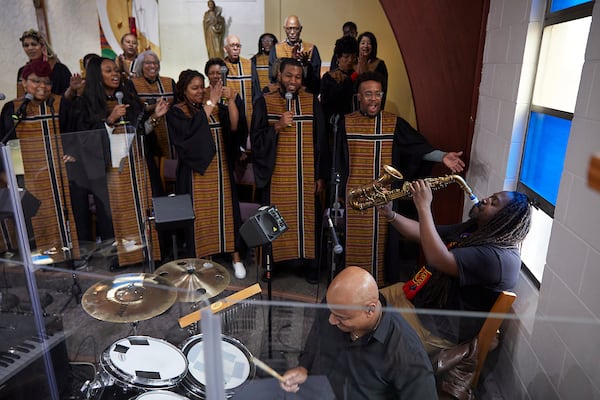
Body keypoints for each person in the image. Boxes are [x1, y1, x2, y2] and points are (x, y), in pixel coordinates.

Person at [335, 71, 465, 286]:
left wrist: (443, 157)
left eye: (378, 94)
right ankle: (352, 286)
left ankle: (379, 289)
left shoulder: (393, 123)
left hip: (385, 198)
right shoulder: (345, 123)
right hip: (355, 199)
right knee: (353, 245)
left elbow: (417, 147)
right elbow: (338, 161)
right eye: (368, 94)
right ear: (359, 96)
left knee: (383, 248)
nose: (374, 99)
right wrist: (339, 194)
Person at [378, 184, 532, 354]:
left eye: (493, 203)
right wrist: (391, 215)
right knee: (359, 304)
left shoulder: (498, 259)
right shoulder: (477, 228)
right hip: (418, 298)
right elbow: (425, 233)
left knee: (366, 329)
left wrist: (423, 207)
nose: (486, 199)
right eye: (491, 196)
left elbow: (438, 259)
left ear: (504, 219)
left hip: (434, 329)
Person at [280, 266, 437, 399]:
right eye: (330, 311)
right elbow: (316, 337)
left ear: (370, 310)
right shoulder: (335, 307)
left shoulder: (407, 353)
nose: (331, 320)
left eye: (342, 318)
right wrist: (303, 367)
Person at [70, 56, 168, 266]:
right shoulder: (86, 104)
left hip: (137, 164)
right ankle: (122, 258)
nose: (115, 74)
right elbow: (85, 140)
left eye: (116, 70)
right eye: (108, 71)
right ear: (97, 76)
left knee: (143, 206)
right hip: (109, 170)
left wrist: (155, 117)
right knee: (117, 213)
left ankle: (151, 254)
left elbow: (141, 132)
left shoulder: (128, 98)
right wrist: (110, 120)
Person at [251, 58, 328, 281]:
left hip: (305, 178)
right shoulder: (264, 102)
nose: (293, 81)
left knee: (307, 220)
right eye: (288, 76)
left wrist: (320, 175)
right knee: (273, 219)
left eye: (297, 77)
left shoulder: (312, 102)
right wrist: (276, 126)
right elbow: (255, 142)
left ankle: (311, 267)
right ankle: (272, 266)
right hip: (277, 178)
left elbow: (321, 141)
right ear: (279, 75)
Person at [166, 65, 246, 279]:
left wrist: (229, 101)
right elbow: (189, 137)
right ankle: (205, 257)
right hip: (196, 174)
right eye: (194, 88)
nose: (200, 91)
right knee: (202, 217)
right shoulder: (177, 112)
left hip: (220, 170)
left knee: (227, 213)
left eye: (202, 87)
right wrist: (211, 101)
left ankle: (235, 256)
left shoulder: (214, 108)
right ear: (184, 90)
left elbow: (235, 128)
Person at [0, 60, 79, 260]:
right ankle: (40, 260)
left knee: (65, 216)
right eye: (36, 81)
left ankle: (69, 256)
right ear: (24, 83)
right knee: (35, 221)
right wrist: (7, 175)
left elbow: (75, 134)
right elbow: (5, 142)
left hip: (61, 175)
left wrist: (71, 153)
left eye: (47, 82)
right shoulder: (12, 109)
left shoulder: (61, 104)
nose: (42, 87)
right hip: (28, 178)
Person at [127, 50, 177, 195]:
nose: (152, 66)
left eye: (155, 63)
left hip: (170, 137)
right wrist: (152, 107)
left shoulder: (169, 82)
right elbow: (134, 111)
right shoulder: (133, 84)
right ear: (141, 65)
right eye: (148, 63)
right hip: (149, 137)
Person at [269, 15, 322, 94]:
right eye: (289, 28)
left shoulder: (311, 49)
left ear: (300, 29)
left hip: (305, 93)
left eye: (295, 28)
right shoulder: (276, 49)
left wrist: (305, 65)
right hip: (281, 94)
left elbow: (316, 78)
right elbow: (272, 76)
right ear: (284, 29)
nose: (292, 32)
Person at [16, 29, 71, 98]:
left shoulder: (59, 69)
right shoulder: (22, 71)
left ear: (43, 46)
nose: (30, 48)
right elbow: (20, 99)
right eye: (26, 45)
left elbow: (70, 96)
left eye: (34, 44)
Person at [320, 35, 358, 132]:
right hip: (335, 126)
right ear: (338, 57)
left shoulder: (360, 76)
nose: (350, 60)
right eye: (346, 57)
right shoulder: (329, 78)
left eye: (353, 56)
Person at [223, 35, 254, 135]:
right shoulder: (221, 66)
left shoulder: (249, 64)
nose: (236, 48)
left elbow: (256, 90)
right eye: (232, 45)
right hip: (229, 112)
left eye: (238, 45)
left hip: (249, 111)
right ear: (225, 48)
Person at [356, 32, 388, 109]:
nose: (365, 46)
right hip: (354, 107)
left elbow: (383, 89)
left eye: (369, 43)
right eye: (363, 43)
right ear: (358, 45)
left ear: (373, 46)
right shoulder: (353, 63)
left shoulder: (379, 64)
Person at [251, 33, 278, 102]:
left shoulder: (278, 59)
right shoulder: (254, 59)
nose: (267, 43)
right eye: (264, 40)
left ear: (274, 42)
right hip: (259, 95)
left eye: (270, 40)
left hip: (275, 94)